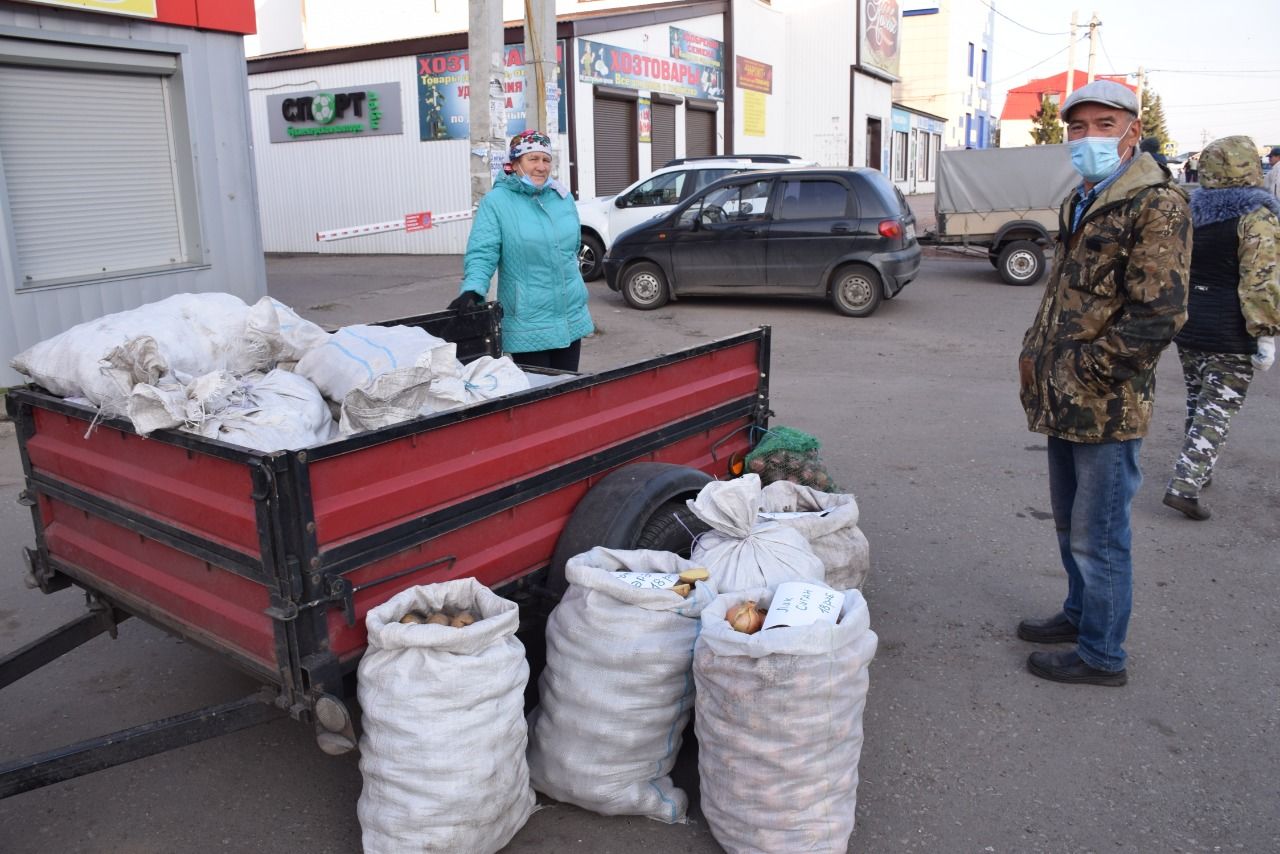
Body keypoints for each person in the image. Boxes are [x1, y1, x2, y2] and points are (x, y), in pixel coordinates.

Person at [1016, 79, 1191, 687]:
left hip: (1107, 405)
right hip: (1064, 397)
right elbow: (1068, 296)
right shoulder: (1085, 196)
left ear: (1133, 131)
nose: (1087, 138)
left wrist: (1088, 371)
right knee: (1070, 526)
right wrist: (1040, 361)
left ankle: (1101, 655)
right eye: (1077, 127)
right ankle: (1079, 614)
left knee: (1101, 535)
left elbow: (1159, 315)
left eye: (1103, 125)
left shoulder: (1156, 204)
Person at [1163, 135, 1280, 520]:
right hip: (1232, 329)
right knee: (1218, 409)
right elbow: (1260, 281)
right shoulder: (1256, 218)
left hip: (1190, 322)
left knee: (1199, 400)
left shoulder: (1193, 212)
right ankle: (1185, 484)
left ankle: (1200, 467)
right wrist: (1266, 332)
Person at [448, 130, 594, 371]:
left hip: (570, 315)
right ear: (515, 164)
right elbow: (483, 252)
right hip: (529, 319)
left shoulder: (562, 198)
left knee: (568, 391)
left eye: (546, 160)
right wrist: (473, 290)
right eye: (532, 159)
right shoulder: (496, 202)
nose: (541, 167)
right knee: (538, 399)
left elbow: (572, 248)